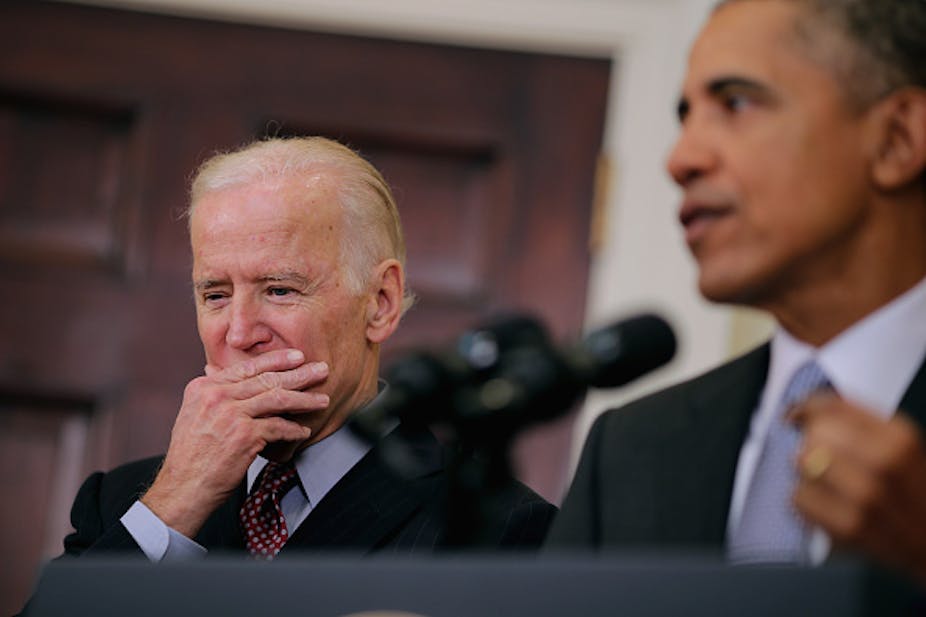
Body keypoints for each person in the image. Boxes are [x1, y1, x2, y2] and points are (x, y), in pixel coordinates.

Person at [548, 0, 926, 585]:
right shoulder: (628, 449)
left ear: (897, 139)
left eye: (736, 103)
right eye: (685, 115)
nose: (681, 159)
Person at [61, 136, 554, 561]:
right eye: (215, 294)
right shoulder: (125, 504)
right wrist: (173, 506)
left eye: (279, 290)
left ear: (381, 303)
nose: (238, 334)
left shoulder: (499, 529)